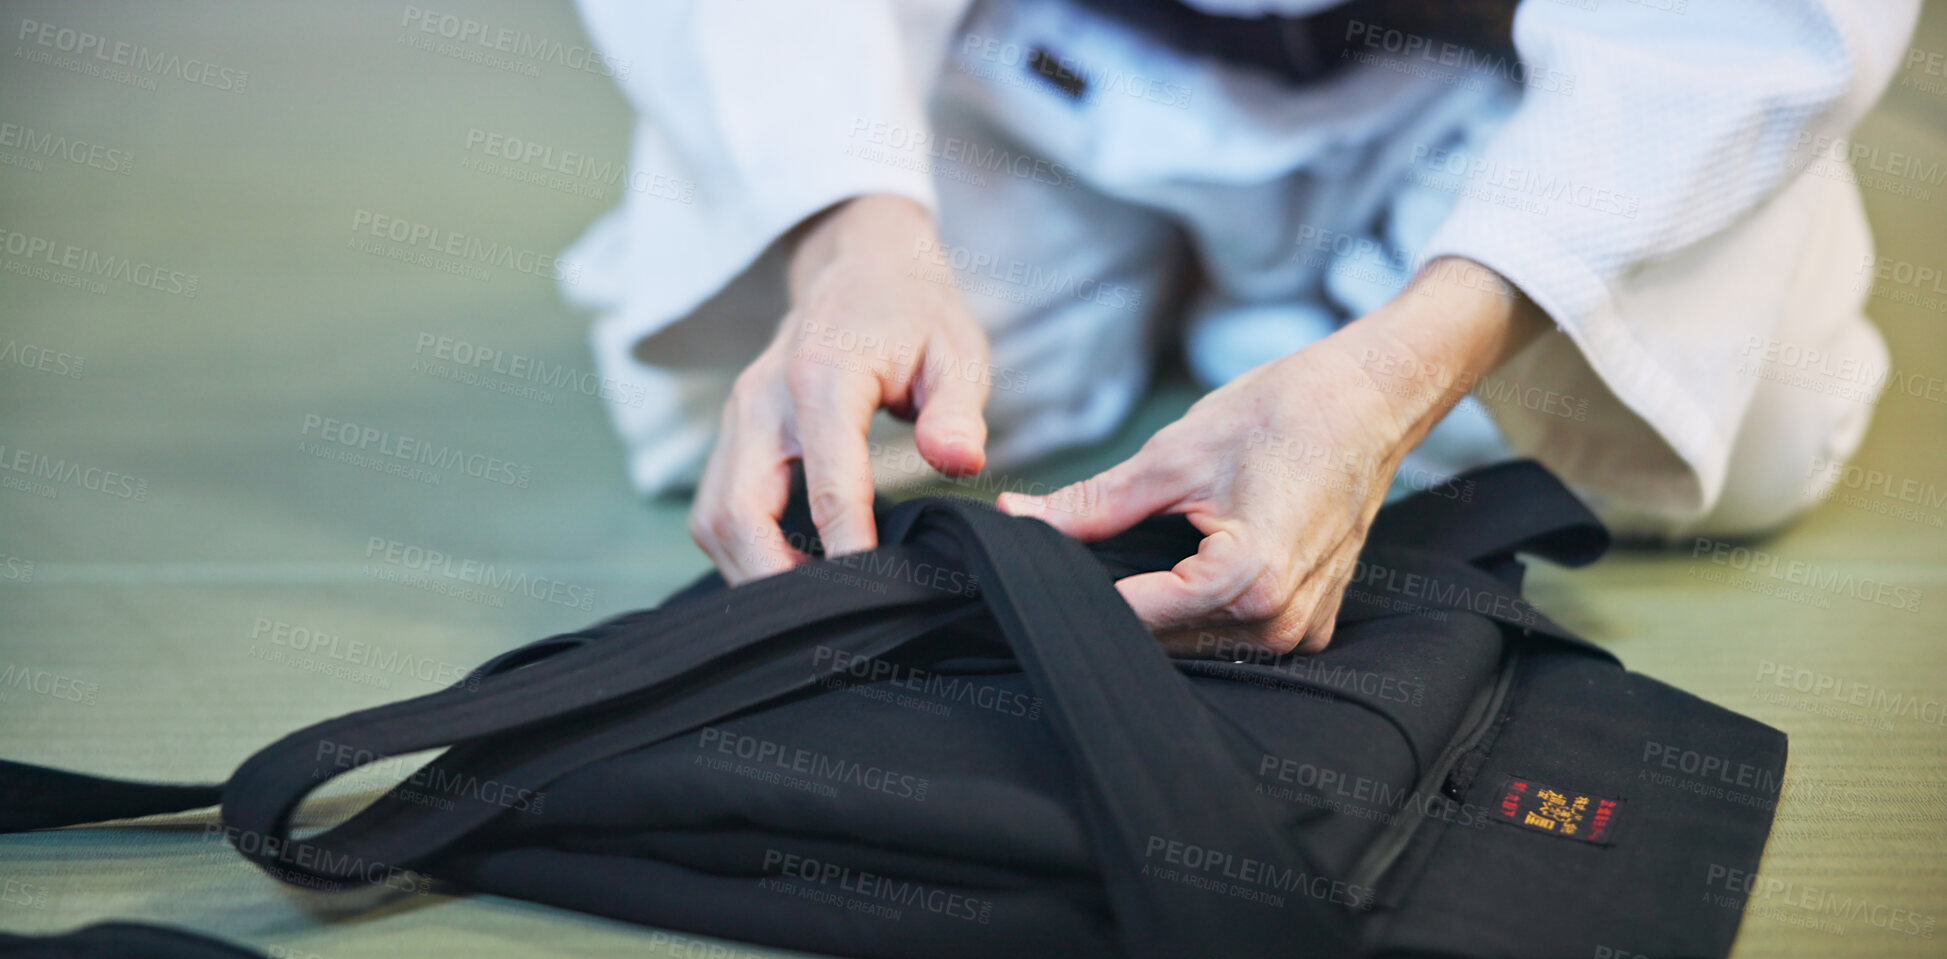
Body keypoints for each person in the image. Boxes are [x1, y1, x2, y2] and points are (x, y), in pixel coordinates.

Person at [559, 0, 1919, 654]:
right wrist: (855, 231)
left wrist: (1396, 375)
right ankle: (1228, 288)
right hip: (1055, 51)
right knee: (763, 435)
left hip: (1480, 72)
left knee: (1748, 440)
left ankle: (1337, 309)